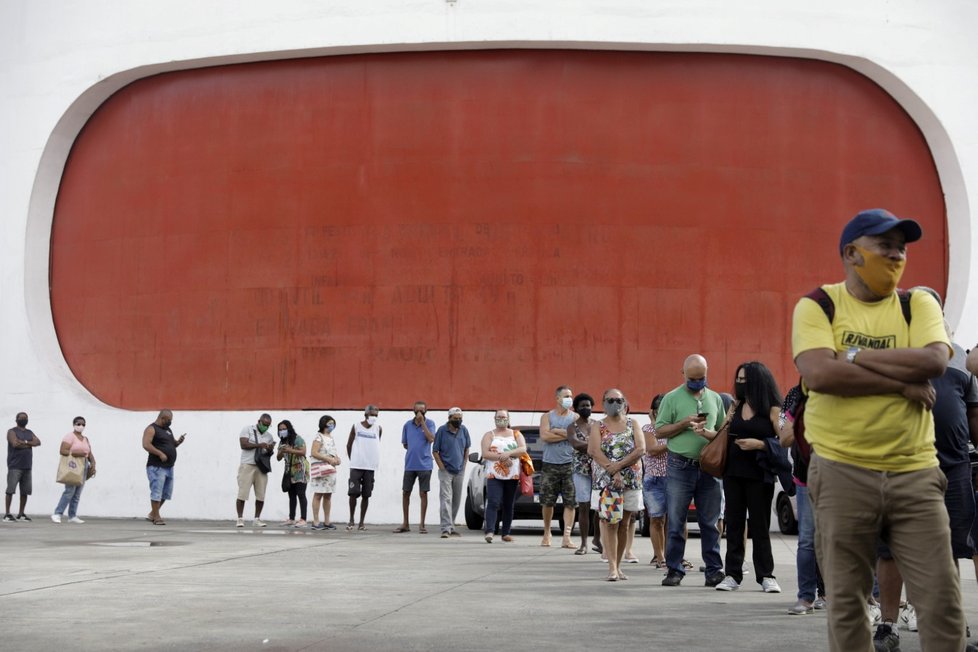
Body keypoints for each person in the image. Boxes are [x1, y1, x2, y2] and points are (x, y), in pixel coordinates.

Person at [792, 208, 966, 651]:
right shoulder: (818, 305)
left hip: (916, 474)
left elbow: (933, 361)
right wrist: (901, 383)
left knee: (942, 602)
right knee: (847, 605)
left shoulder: (917, 303)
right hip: (841, 471)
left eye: (901, 248)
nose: (895, 256)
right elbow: (820, 375)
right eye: (884, 246)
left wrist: (849, 355)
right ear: (851, 253)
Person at [873, 288, 978, 651]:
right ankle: (888, 625)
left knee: (952, 548)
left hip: (954, 467)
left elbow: (972, 412)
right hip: (899, 467)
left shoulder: (960, 355)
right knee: (891, 549)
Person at [713, 362, 784, 594]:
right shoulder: (735, 405)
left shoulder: (772, 409)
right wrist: (706, 433)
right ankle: (732, 574)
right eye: (738, 379)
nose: (739, 384)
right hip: (733, 472)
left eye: (744, 380)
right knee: (733, 524)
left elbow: (785, 440)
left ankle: (766, 575)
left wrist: (761, 444)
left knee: (760, 526)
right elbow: (722, 432)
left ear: (758, 381)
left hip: (759, 475)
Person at [657, 354, 726, 587]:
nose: (697, 382)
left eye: (702, 377)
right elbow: (659, 431)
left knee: (710, 522)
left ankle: (714, 570)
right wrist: (684, 424)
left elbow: (722, 433)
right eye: (693, 378)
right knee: (676, 522)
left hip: (708, 467)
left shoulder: (715, 399)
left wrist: (706, 433)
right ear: (683, 374)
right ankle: (674, 570)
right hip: (679, 466)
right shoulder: (671, 398)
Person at [779, 383, 828, 616]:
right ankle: (806, 596)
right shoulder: (797, 396)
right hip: (805, 477)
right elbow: (784, 437)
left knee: (846, 539)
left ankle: (837, 595)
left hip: (841, 477)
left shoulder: (845, 388)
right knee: (807, 539)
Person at [588, 389, 645, 581]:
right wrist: (613, 470)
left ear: (624, 402)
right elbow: (594, 450)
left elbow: (641, 449)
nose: (615, 403)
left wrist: (620, 466)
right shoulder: (598, 425)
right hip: (607, 483)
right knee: (610, 523)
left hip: (630, 481)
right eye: (610, 400)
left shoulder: (633, 423)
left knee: (625, 524)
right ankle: (611, 567)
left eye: (618, 400)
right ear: (603, 402)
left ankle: (619, 566)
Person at [539, 385, 578, 548]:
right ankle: (547, 532)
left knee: (570, 502)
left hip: (570, 464)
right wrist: (566, 435)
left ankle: (566, 537)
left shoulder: (575, 417)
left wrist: (557, 431)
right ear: (557, 398)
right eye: (566, 395)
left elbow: (575, 437)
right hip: (550, 464)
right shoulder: (547, 416)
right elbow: (545, 436)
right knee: (548, 502)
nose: (569, 398)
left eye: (571, 395)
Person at [480, 409, 527, 543]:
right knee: (493, 502)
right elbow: (485, 453)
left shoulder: (516, 434)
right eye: (499, 417)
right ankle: (490, 531)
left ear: (508, 418)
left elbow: (522, 449)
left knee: (508, 504)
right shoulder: (489, 435)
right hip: (494, 474)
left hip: (512, 475)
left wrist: (509, 454)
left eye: (503, 417)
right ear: (494, 419)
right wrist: (502, 457)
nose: (501, 419)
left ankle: (506, 532)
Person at [568, 392, 601, 555]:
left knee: (598, 505)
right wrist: (593, 445)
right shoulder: (571, 427)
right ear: (576, 409)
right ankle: (583, 543)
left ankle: (597, 539)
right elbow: (575, 444)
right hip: (580, 470)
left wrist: (589, 445)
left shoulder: (598, 425)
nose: (586, 408)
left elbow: (604, 443)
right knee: (584, 505)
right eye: (582, 406)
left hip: (597, 468)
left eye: (588, 405)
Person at [395, 401, 435, 534]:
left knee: (423, 493)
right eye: (416, 410)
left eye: (422, 411)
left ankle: (422, 524)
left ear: (426, 411)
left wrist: (422, 423)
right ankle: (405, 523)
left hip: (425, 465)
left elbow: (431, 439)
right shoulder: (407, 425)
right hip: (410, 464)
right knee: (406, 492)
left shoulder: (430, 423)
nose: (419, 413)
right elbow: (405, 444)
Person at [432, 407, 470, 538]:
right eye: (455, 419)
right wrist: (442, 467)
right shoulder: (442, 431)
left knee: (456, 499)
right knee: (446, 499)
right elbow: (435, 451)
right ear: (449, 419)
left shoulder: (464, 430)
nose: (458, 421)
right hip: (446, 471)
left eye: (460, 418)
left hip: (460, 470)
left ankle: (451, 525)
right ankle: (445, 528)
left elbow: (466, 448)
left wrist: (464, 464)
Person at [142, 409, 185, 526]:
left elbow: (172, 444)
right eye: (169, 420)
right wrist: (160, 453)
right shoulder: (151, 429)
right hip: (157, 466)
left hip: (169, 467)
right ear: (162, 418)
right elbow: (146, 444)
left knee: (166, 493)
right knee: (156, 492)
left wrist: (178, 442)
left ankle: (152, 513)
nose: (170, 422)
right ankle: (156, 517)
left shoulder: (168, 430)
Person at [51, 416, 96, 524]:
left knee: (77, 493)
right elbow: (62, 450)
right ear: (74, 424)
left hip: (84, 465)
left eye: (83, 424)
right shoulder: (69, 437)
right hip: (73, 465)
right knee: (69, 491)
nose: (81, 426)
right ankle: (58, 513)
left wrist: (93, 463)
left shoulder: (85, 439)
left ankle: (72, 515)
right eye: (79, 424)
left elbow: (89, 452)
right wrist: (75, 453)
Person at [642, 394, 668, 568]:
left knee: (675, 521)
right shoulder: (648, 429)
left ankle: (674, 555)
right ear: (654, 411)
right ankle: (660, 557)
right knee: (656, 519)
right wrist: (674, 443)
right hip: (654, 479)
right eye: (659, 409)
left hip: (674, 478)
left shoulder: (675, 429)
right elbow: (651, 449)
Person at [235, 413, 275, 528]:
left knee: (261, 494)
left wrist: (269, 450)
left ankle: (257, 519)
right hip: (247, 465)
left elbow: (268, 454)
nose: (265, 427)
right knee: (242, 493)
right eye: (264, 424)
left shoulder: (269, 436)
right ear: (259, 421)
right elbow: (243, 444)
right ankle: (240, 518)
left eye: (268, 425)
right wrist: (259, 445)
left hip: (261, 467)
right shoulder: (247, 429)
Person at [347, 404, 382, 531]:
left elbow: (376, 445)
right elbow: (349, 444)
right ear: (366, 414)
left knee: (366, 494)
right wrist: (354, 460)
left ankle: (361, 522)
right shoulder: (356, 427)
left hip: (370, 467)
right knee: (353, 493)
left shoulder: (378, 428)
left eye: (376, 415)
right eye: (372, 415)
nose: (374, 417)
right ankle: (351, 520)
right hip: (356, 466)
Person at [5, 411, 40, 522]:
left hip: (27, 466)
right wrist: (29, 443)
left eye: (25, 418)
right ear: (17, 420)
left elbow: (38, 442)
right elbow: (14, 444)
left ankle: (21, 514)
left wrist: (23, 442)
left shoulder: (30, 432)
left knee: (25, 491)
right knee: (10, 490)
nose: (24, 419)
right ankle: (7, 514)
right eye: (21, 418)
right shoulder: (12, 431)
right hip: (14, 466)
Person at [309, 415, 340, 530]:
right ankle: (316, 521)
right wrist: (328, 459)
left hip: (330, 471)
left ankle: (327, 521)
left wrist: (337, 459)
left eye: (333, 423)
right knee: (318, 494)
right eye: (329, 423)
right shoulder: (319, 437)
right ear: (324, 424)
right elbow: (314, 452)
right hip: (321, 470)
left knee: (328, 495)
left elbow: (333, 452)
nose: (332, 426)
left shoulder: (331, 438)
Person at [276, 420, 310, 527]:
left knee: (301, 493)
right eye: (280, 429)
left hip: (300, 469)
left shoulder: (297, 439)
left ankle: (303, 519)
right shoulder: (282, 442)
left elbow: (303, 452)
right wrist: (282, 451)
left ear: (289, 429)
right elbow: (278, 458)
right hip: (289, 471)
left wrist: (291, 450)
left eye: (284, 429)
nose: (282, 431)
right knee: (291, 495)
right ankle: (291, 518)